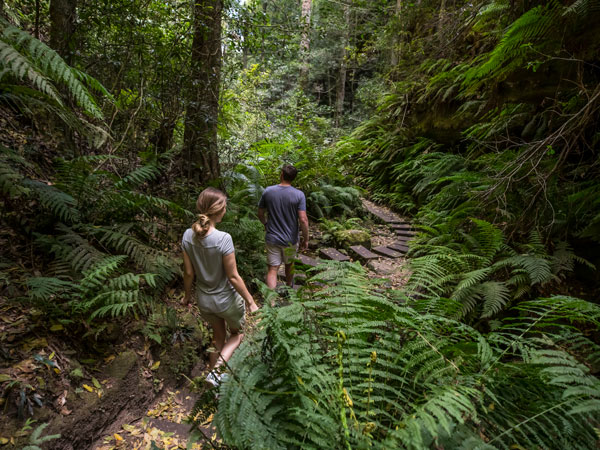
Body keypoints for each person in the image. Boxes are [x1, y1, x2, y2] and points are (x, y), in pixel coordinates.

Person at [181, 187, 259, 386]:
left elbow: (189, 273)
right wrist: (251, 302)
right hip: (227, 301)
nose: (226, 210)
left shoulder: (187, 236)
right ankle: (216, 373)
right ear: (217, 210)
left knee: (217, 338)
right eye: (224, 207)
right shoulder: (223, 239)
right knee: (237, 334)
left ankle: (214, 389)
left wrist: (187, 297)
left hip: (205, 301)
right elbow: (233, 277)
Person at [258, 164, 309, 290]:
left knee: (273, 268)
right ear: (293, 178)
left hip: (272, 238)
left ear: (281, 174)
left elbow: (260, 213)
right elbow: (303, 219)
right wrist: (306, 239)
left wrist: (266, 224)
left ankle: (271, 302)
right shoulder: (299, 195)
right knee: (289, 264)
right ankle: (289, 290)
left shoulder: (268, 191)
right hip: (290, 240)